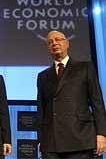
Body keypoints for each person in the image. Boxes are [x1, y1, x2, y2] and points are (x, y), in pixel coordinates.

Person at [37, 30, 106, 159]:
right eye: (50, 42)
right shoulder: (43, 76)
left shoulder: (85, 68)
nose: (54, 43)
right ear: (48, 48)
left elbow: (98, 103)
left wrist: (101, 134)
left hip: (81, 139)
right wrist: (41, 139)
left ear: (67, 43)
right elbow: (41, 110)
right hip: (52, 143)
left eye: (58, 39)